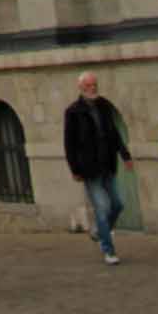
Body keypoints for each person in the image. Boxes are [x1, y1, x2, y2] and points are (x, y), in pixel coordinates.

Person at [63, 71, 132, 266]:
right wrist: (74, 168)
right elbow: (69, 143)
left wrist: (124, 154)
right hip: (89, 167)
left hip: (108, 164)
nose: (93, 88)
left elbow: (114, 133)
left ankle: (99, 232)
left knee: (117, 204)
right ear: (81, 88)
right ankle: (109, 250)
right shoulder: (73, 112)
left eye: (95, 85)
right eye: (88, 85)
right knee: (102, 207)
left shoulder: (104, 106)